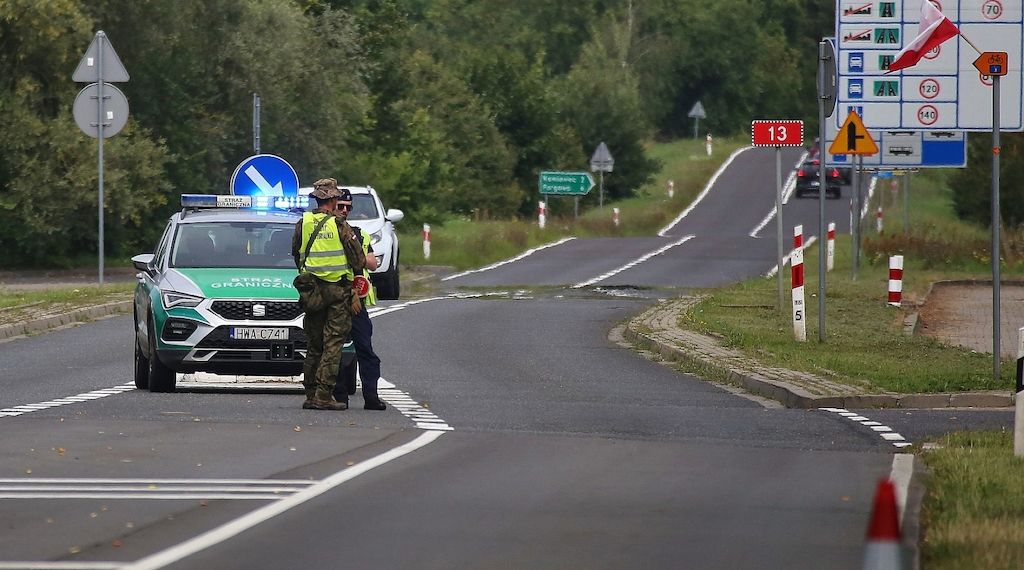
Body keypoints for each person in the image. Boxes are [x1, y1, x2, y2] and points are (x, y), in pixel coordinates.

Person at [291, 178, 366, 411]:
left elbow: (296, 254)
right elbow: (358, 260)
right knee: (333, 343)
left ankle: (310, 394)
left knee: (314, 344)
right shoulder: (339, 224)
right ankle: (323, 395)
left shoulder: (303, 223)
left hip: (311, 292)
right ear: (333, 200)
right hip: (336, 292)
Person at [332, 188, 387, 411]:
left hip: (356, 300)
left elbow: (373, 263)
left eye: (348, 207)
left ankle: (371, 397)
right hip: (334, 299)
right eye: (340, 206)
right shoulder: (326, 233)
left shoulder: (358, 233)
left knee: (365, 349)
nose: (345, 211)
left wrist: (357, 255)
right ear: (332, 206)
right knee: (335, 351)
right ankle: (339, 397)